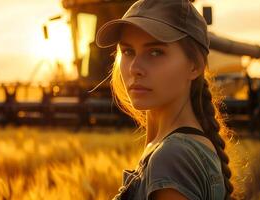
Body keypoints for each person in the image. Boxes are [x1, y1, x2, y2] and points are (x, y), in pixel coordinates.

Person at [95, 0, 235, 199]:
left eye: (155, 52)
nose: (134, 68)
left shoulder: (172, 157)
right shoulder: (174, 148)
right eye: (128, 51)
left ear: (194, 66)